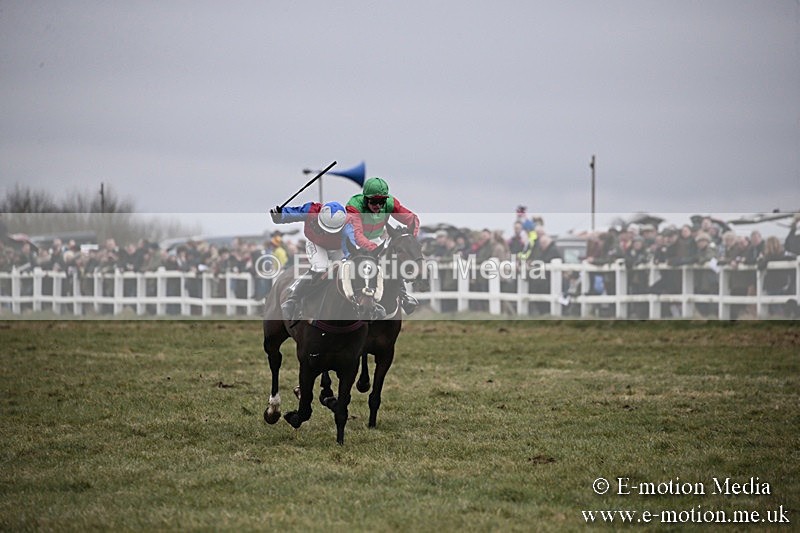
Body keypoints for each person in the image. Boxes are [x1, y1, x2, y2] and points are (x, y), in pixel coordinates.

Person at [345, 177, 420, 314]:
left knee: (389, 262)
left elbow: (412, 219)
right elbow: (357, 235)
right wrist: (375, 250)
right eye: (374, 201)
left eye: (382, 201)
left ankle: (403, 295)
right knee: (345, 266)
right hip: (353, 240)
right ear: (365, 198)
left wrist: (411, 237)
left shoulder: (391, 203)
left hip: (374, 238)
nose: (378, 205)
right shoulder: (354, 206)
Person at [270, 201, 348, 320]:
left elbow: (350, 248)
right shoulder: (311, 210)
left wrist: (346, 260)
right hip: (316, 244)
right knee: (321, 267)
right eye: (325, 228)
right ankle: (292, 299)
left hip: (337, 248)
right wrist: (279, 215)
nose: (327, 232)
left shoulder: (349, 224)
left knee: (345, 270)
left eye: (332, 230)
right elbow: (293, 214)